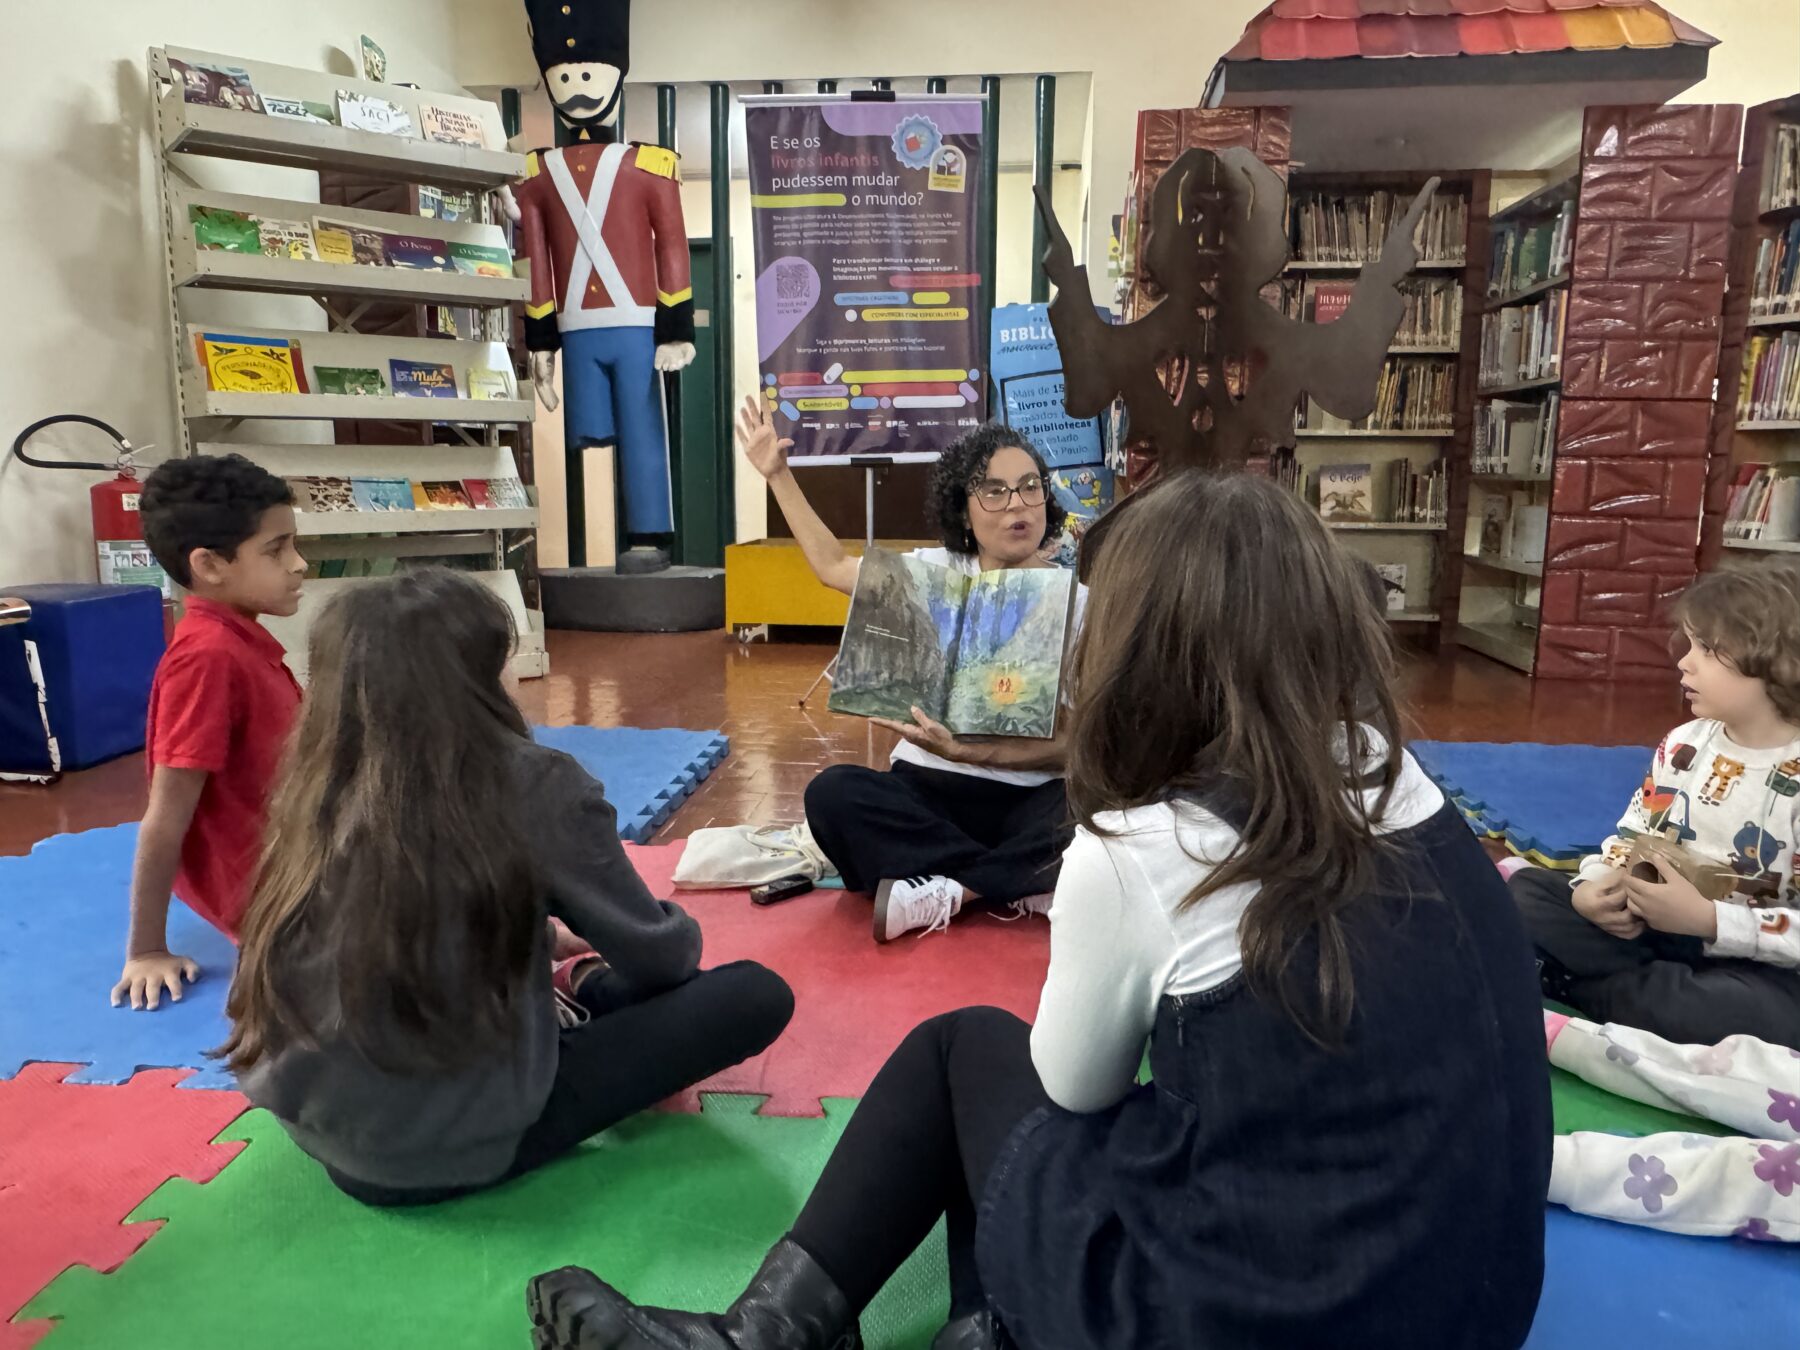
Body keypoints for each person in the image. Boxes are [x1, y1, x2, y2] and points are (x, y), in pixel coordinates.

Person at [524, 471, 1552, 1350]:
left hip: (1253, 1318)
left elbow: (1071, 1089)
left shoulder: (1147, 848)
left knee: (971, 1057)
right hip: (1477, 1306)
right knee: (1078, 1126)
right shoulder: (1397, 777)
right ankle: (985, 1328)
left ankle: (764, 1333)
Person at [220, 569, 794, 1204]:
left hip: (319, 1129)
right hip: (444, 1152)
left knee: (564, 970)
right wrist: (630, 939)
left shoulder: (318, 778)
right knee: (752, 994)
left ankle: (570, 991)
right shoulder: (533, 782)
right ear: (476, 675)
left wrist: (541, 935)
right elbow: (663, 957)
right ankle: (582, 992)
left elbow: (394, 914)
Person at [736, 396, 1084, 943]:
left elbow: (1080, 746)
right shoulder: (929, 571)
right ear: (963, 508)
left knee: (1093, 805)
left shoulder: (1080, 603)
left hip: (1029, 797)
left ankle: (951, 889)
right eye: (994, 490)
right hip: (925, 791)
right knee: (832, 795)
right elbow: (830, 566)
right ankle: (1015, 880)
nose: (1017, 504)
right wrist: (778, 475)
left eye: (1030, 485)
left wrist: (971, 750)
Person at [1510, 563, 1800, 1050]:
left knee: (1732, 1013)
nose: (1685, 663)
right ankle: (1622, 990)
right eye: (1688, 645)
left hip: (1764, 965)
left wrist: (1709, 921)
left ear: (1782, 662)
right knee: (1525, 893)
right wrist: (1593, 888)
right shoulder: (1683, 744)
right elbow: (1632, 834)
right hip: (1658, 931)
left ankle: (1577, 987)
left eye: (1706, 650)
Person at [113, 454, 305, 1012]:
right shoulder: (207, 659)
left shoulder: (241, 639)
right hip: (278, 893)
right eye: (276, 550)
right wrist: (147, 949)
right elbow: (165, 816)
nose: (299, 565)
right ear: (210, 565)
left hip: (301, 849)